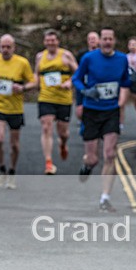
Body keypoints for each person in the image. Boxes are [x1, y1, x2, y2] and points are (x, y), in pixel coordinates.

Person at [70, 27, 131, 212]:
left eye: (110, 39)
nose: (107, 42)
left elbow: (125, 82)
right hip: (91, 111)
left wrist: (122, 100)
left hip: (111, 111)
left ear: (114, 41)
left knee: (110, 154)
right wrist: (85, 90)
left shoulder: (122, 59)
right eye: (104, 38)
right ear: (100, 41)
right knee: (93, 158)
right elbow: (76, 79)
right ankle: (87, 165)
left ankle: (105, 198)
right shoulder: (89, 58)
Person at [0, 34, 35, 189]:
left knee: (14, 145)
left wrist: (22, 88)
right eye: (2, 47)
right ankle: (2, 169)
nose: (5, 50)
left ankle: (12, 172)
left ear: (14, 48)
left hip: (15, 108)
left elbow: (33, 81)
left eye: (8, 47)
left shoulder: (22, 63)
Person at [33, 29, 78, 175]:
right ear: (44, 42)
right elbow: (36, 74)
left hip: (63, 99)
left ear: (57, 41)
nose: (50, 43)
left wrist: (69, 83)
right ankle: (48, 163)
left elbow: (78, 72)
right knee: (46, 127)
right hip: (46, 98)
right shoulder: (40, 56)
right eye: (47, 40)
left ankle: (63, 144)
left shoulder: (66, 55)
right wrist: (29, 86)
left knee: (63, 132)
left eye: (53, 40)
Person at [74, 31, 100, 137]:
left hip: (96, 85)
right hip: (82, 84)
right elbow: (75, 69)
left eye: (94, 38)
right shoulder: (82, 54)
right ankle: (84, 122)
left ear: (98, 40)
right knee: (80, 110)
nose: (92, 40)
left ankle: (93, 127)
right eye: (90, 39)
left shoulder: (102, 54)